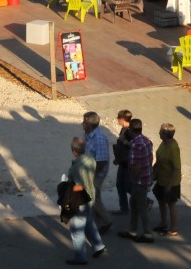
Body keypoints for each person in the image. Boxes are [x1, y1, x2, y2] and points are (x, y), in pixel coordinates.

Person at [65, 136, 107, 265]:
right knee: (88, 222)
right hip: (90, 197)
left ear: (74, 151)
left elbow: (77, 186)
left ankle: (80, 258)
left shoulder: (75, 167)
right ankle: (98, 246)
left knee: (77, 230)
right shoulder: (91, 160)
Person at [119, 118, 154, 243]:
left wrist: (132, 180)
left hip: (139, 181)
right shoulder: (146, 141)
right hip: (146, 177)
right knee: (133, 204)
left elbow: (136, 167)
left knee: (141, 207)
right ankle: (132, 230)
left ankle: (147, 233)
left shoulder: (136, 145)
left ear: (130, 130)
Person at [82, 112, 112, 233]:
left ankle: (106, 221)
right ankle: (98, 225)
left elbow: (102, 161)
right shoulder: (88, 135)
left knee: (93, 198)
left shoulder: (99, 139)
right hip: (89, 171)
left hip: (97, 173)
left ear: (89, 124)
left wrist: (92, 176)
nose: (82, 123)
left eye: (84, 122)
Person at [153, 123, 181, 237]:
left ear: (165, 135)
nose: (158, 133)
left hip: (171, 182)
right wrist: (153, 172)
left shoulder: (173, 148)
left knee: (171, 204)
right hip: (161, 178)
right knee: (161, 201)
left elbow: (176, 168)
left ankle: (174, 228)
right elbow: (159, 159)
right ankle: (163, 222)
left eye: (160, 132)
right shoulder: (164, 143)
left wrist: (170, 185)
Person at [112, 109, 133, 215]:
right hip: (123, 162)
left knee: (128, 186)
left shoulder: (130, 131)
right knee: (120, 185)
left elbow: (133, 146)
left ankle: (146, 201)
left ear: (122, 119)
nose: (117, 120)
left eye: (118, 118)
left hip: (128, 163)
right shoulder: (124, 129)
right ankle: (124, 208)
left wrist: (124, 142)